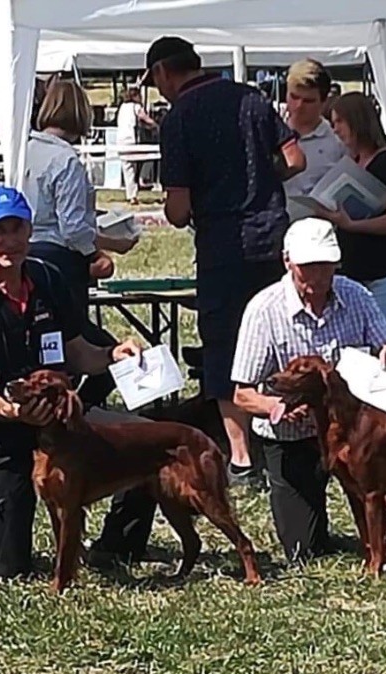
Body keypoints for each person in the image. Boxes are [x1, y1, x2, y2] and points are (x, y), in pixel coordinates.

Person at [0, 186, 142, 579]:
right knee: (8, 566)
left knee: (148, 442)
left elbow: (77, 351)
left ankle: (116, 545)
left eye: (18, 229)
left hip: (58, 426)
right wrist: (15, 412)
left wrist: (112, 354)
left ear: (31, 229)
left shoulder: (46, 278)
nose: (10, 241)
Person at [144, 34, 306, 488]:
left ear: (162, 73)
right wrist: (256, 181)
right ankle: (286, 437)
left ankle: (240, 458)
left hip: (222, 246)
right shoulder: (252, 99)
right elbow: (296, 159)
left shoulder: (179, 118)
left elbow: (178, 210)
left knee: (226, 348)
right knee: (277, 340)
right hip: (273, 237)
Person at [230, 218, 386, 562]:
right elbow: (242, 394)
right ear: (287, 262)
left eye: (325, 268)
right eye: (307, 268)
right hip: (293, 437)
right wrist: (276, 407)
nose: (316, 278)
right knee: (303, 550)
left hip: (355, 433)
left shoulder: (356, 295)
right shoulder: (264, 310)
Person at [314, 92, 386, 524]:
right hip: (360, 276)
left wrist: (350, 224)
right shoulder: (356, 165)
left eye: (338, 122)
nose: (335, 130)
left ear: (356, 122)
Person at [22, 79, 138, 405]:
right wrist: (105, 248)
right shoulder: (67, 162)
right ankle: (80, 416)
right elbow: (73, 229)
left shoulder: (24, 151)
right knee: (90, 351)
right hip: (59, 267)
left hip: (24, 260)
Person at [282, 58, 348, 211]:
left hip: (320, 228)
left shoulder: (338, 143)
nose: (298, 106)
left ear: (324, 101)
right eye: (294, 97)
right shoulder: (270, 135)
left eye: (308, 101)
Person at [116, 86, 159, 205]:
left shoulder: (122, 108)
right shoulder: (136, 107)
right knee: (148, 157)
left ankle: (131, 196)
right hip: (131, 140)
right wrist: (156, 125)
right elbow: (145, 118)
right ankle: (143, 180)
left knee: (128, 168)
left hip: (120, 140)